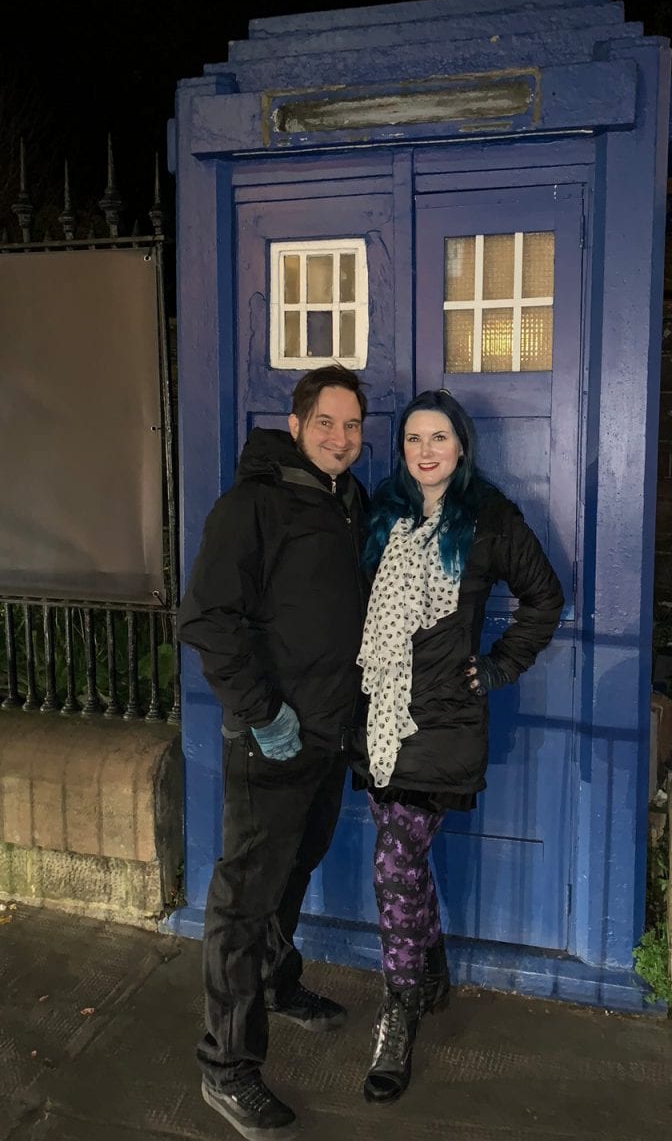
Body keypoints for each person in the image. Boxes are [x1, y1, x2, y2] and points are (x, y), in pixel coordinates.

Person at [351, 389, 564, 1105]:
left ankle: (401, 1009)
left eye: (438, 436)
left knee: (393, 859)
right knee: (403, 860)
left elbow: (545, 598)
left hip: (444, 721)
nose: (425, 450)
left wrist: (499, 665)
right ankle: (430, 970)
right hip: (382, 715)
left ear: (461, 445)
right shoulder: (383, 517)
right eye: (413, 438)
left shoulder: (490, 520)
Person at [177, 364, 369, 1140]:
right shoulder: (251, 505)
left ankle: (279, 985)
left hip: (327, 736)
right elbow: (208, 620)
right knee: (244, 899)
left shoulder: (346, 502)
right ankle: (226, 1068)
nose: (340, 438)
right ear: (294, 426)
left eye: (353, 426)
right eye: (326, 423)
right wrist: (262, 715)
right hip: (270, 741)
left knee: (293, 873)